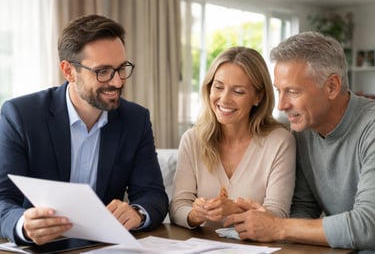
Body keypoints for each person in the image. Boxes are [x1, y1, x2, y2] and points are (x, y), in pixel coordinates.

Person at [0, 14, 168, 245]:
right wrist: (23, 225)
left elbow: (153, 194)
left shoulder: (135, 119)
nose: (117, 82)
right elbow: (3, 197)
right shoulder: (20, 115)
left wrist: (137, 213)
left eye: (121, 68)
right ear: (69, 71)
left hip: (103, 247)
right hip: (41, 247)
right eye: (103, 71)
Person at [224, 32, 375, 251]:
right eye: (279, 91)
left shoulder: (370, 128)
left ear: (332, 86)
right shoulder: (303, 132)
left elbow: (369, 226)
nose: (281, 105)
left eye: (293, 91)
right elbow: (305, 207)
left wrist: (279, 227)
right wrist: (266, 221)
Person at [169, 47, 296, 229]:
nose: (224, 99)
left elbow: (278, 214)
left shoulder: (280, 142)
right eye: (218, 87)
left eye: (238, 91)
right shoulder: (192, 139)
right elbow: (177, 207)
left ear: (258, 97)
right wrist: (195, 214)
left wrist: (235, 209)